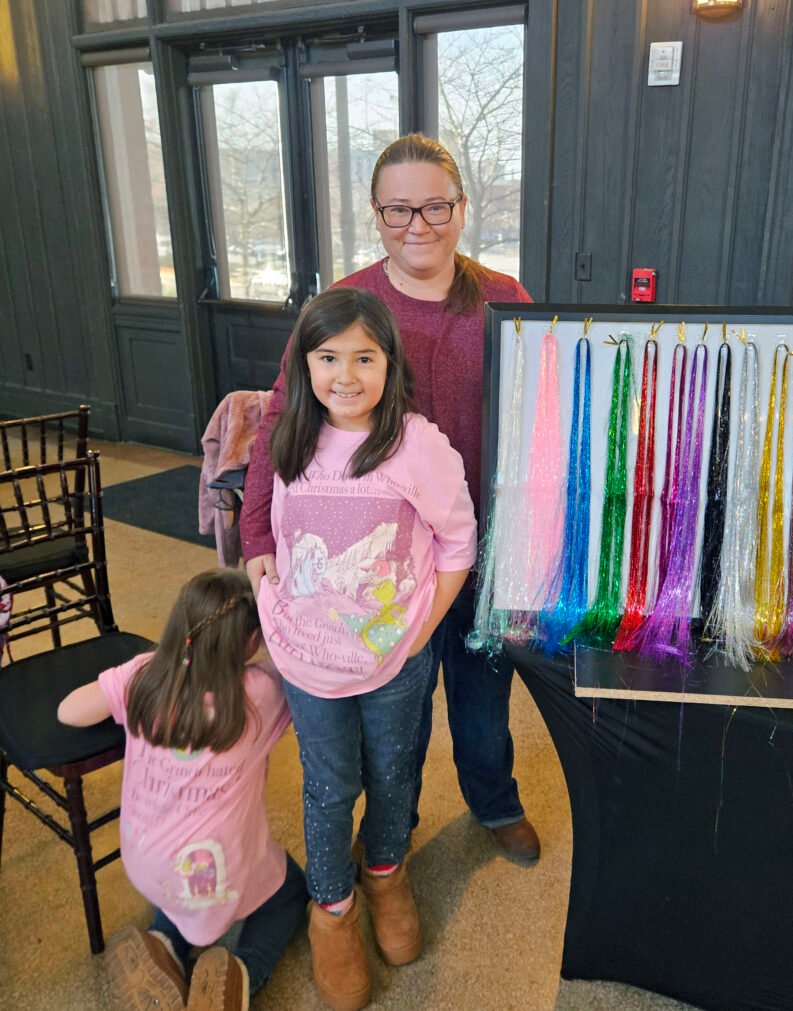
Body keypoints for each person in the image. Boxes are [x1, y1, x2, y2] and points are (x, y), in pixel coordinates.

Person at [240, 133, 540, 862]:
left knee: (482, 700)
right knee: (395, 714)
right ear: (377, 214)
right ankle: (390, 843)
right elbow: (281, 418)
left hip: (480, 549)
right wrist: (257, 539)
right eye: (398, 209)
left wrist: (538, 553)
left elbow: (543, 430)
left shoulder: (506, 300)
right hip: (379, 560)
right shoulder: (347, 302)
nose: (418, 225)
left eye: (435, 205)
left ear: (462, 208)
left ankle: (493, 800)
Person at [256, 286, 476, 1011]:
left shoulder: (417, 444)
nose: (344, 375)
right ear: (304, 364)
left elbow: (457, 542)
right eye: (327, 357)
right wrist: (263, 573)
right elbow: (274, 527)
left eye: (363, 357)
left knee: (392, 771)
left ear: (390, 361)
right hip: (307, 656)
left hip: (393, 658)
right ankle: (333, 909)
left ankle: (385, 871)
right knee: (327, 786)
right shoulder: (290, 433)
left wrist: (421, 630)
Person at [57, 568, 307, 1011]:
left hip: (143, 859)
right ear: (250, 643)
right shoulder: (258, 694)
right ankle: (241, 974)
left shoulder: (143, 677)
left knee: (179, 894)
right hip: (215, 873)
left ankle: (163, 945)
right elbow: (301, 665)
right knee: (289, 893)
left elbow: (68, 712)